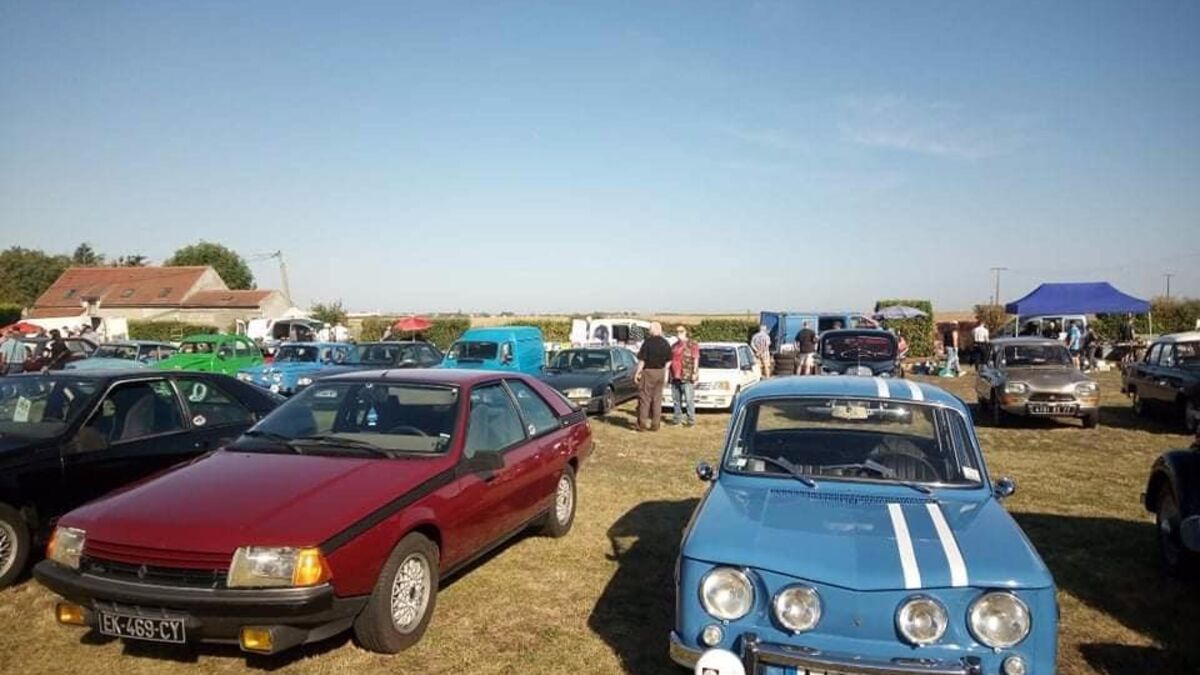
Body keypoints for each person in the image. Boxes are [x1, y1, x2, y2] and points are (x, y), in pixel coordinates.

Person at [634, 322, 672, 432]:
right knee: (657, 399)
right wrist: (665, 369)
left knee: (645, 398)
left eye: (650, 329)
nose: (649, 331)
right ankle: (656, 424)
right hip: (661, 372)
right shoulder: (666, 343)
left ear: (653, 330)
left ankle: (642, 424)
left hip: (649, 372)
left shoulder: (648, 343)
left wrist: (638, 372)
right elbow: (669, 360)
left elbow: (642, 360)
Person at [669, 326, 700, 426]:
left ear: (686, 332)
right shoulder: (674, 346)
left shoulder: (692, 344)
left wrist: (695, 373)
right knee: (676, 400)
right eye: (677, 331)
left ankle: (690, 420)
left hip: (687, 376)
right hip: (674, 376)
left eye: (681, 331)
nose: (679, 333)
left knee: (689, 400)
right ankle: (677, 419)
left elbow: (696, 359)